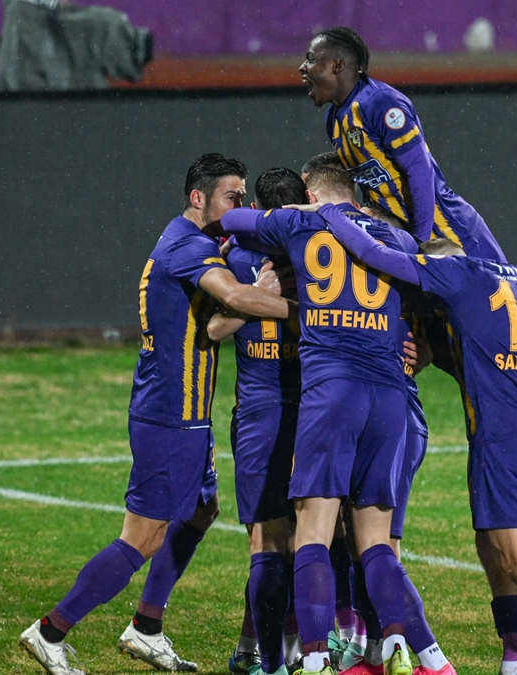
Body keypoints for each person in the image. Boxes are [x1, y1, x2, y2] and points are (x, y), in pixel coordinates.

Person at [18, 153, 296, 675]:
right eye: (232, 196)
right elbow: (234, 298)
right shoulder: (189, 247)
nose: (241, 206)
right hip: (171, 415)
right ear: (198, 198)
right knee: (142, 537)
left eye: (244, 197)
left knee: (202, 510)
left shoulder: (189, 239)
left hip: (185, 412)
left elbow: (213, 323)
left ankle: (146, 626)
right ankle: (51, 630)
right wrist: (305, 309)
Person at [297, 26, 517, 503]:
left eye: (311, 59)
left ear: (337, 65)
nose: (302, 68)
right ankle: (511, 424)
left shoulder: (382, 104)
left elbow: (418, 171)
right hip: (411, 241)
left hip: (449, 232)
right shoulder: (337, 120)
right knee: (447, 348)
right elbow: (378, 189)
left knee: (506, 330)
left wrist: (420, 242)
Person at [314, 205, 517, 675]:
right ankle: (514, 660)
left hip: (502, 438)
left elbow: (376, 254)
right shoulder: (504, 282)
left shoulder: (453, 274)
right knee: (492, 548)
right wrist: (427, 348)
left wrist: (332, 215)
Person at [221, 167, 454, 675]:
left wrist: (302, 212)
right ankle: (395, 646)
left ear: (311, 194)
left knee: (313, 531)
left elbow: (234, 221)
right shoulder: (392, 238)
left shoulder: (301, 225)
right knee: (375, 541)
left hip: (333, 393)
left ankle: (315, 658)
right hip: (389, 398)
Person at [207, 168, 307, 675]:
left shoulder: (238, 256)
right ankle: (274, 656)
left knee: (279, 540)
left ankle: (266, 651)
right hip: (280, 415)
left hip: (281, 416)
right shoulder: (311, 260)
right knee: (282, 540)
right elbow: (215, 327)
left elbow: (214, 327)